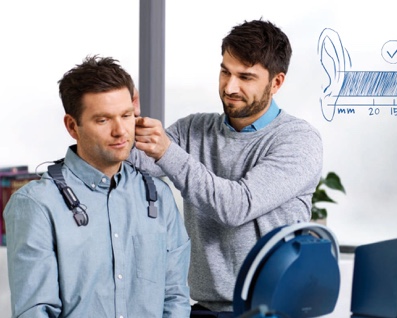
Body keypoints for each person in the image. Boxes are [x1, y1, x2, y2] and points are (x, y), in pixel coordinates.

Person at [130, 19, 323, 316]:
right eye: (225, 71)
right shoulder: (193, 129)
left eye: (245, 77)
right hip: (205, 308)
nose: (230, 87)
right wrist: (124, 119)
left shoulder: (298, 140)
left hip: (276, 310)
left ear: (277, 82)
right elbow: (137, 161)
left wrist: (166, 151)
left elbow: (236, 206)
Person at [4, 55, 191, 317]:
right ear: (72, 126)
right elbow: (35, 311)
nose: (120, 131)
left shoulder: (159, 197)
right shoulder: (37, 205)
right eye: (103, 120)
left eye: (126, 115)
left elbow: (175, 298)